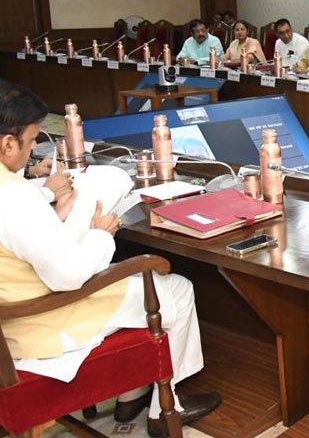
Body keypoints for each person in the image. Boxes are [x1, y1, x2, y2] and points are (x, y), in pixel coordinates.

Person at [0, 82, 221, 437]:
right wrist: (101, 234)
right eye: (30, 141)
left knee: (133, 286)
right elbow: (68, 277)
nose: (32, 149)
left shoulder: (15, 192)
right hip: (40, 324)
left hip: (12, 315)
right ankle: (164, 411)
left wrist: (53, 211)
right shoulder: (15, 199)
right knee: (176, 289)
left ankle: (132, 393)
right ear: (8, 144)